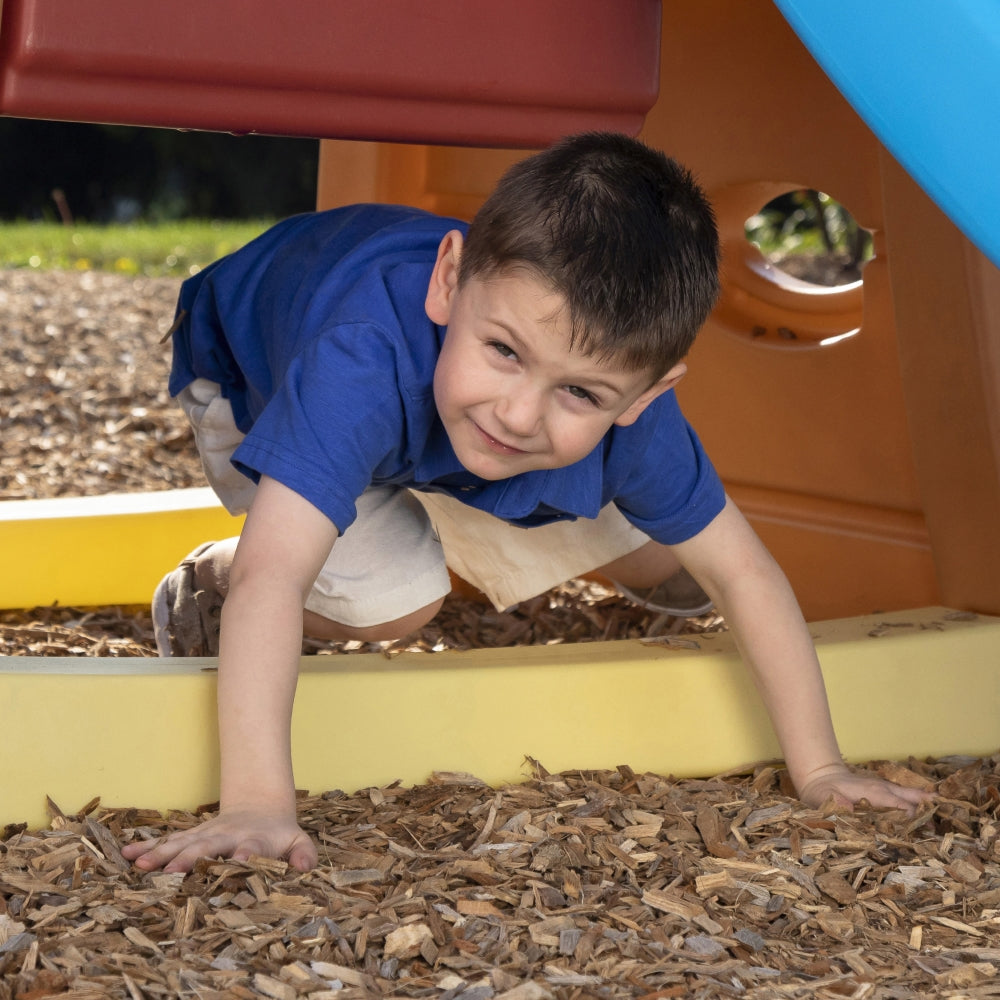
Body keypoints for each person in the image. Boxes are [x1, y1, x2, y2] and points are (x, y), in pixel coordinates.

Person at [122, 132, 929, 874]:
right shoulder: (357, 362)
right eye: (504, 351)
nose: (519, 411)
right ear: (448, 280)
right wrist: (257, 806)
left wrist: (822, 769)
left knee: (669, 550)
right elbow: (278, 577)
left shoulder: (608, 415)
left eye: (580, 391)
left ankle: (471, 456)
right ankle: (204, 587)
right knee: (395, 601)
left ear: (648, 394)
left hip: (433, 405)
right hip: (252, 374)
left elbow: (743, 573)